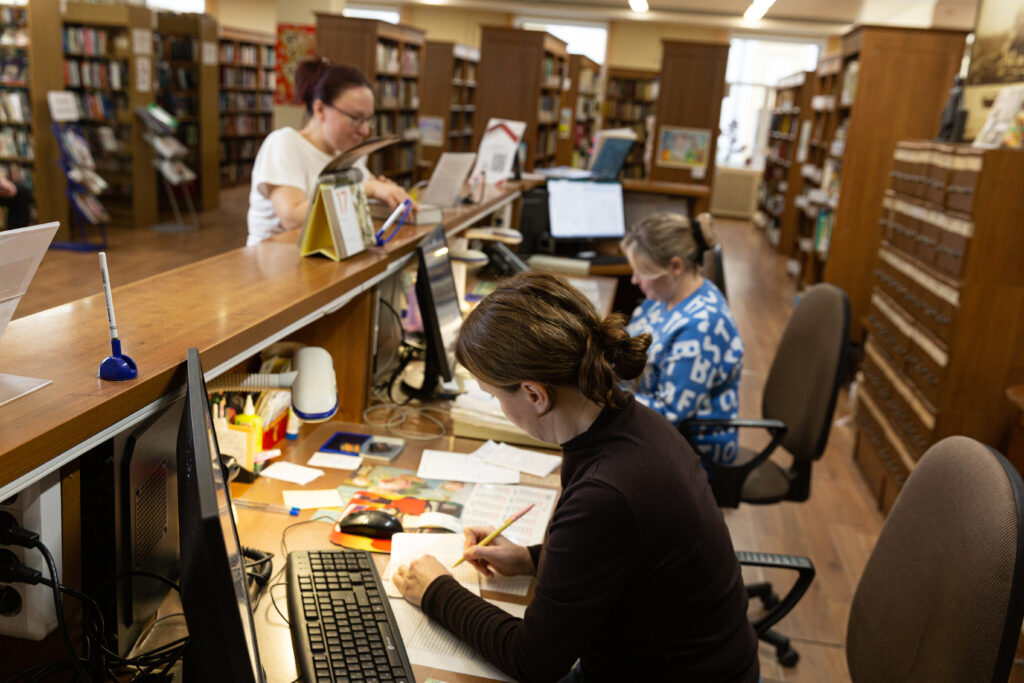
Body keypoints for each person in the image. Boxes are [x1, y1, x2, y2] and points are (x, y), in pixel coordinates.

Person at [393, 272, 759, 683]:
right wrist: (533, 559)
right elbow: (624, 551)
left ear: (534, 394)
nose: (499, 408)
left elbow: (533, 661)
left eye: (494, 396)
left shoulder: (605, 491)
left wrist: (436, 590)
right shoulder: (630, 423)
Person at [246, 58, 414, 246]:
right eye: (355, 118)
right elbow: (292, 218)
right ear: (320, 109)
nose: (365, 130)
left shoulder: (346, 153)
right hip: (275, 258)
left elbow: (368, 192)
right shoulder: (285, 143)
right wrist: (368, 189)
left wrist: (387, 196)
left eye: (368, 120)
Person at [621, 211, 744, 464]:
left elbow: (669, 413)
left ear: (676, 266)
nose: (635, 280)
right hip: (655, 428)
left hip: (690, 452)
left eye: (643, 272)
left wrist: (604, 394)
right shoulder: (664, 297)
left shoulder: (702, 326)